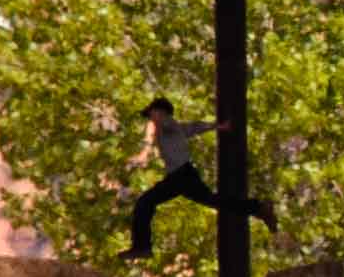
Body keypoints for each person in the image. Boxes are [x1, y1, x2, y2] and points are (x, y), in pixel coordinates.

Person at [118, 96, 276, 262]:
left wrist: (160, 122)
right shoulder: (174, 128)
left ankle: (142, 247)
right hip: (182, 176)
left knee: (145, 202)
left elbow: (177, 124)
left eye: (152, 114)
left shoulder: (167, 124)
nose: (151, 119)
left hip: (180, 176)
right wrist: (218, 126)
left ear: (160, 112)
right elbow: (195, 127)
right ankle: (258, 207)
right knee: (213, 201)